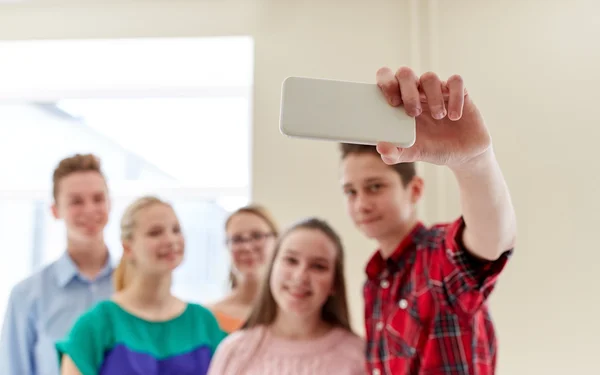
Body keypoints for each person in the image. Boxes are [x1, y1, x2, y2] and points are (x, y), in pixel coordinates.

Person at [339, 66, 517, 374]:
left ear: (415, 189)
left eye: (375, 186)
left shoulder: (435, 254)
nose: (361, 203)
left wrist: (474, 162)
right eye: (350, 191)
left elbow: (491, 243)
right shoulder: (374, 282)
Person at [55, 196, 226, 375]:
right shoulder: (97, 324)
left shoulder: (204, 323)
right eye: (155, 232)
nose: (170, 240)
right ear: (128, 248)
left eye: (176, 230)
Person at [0, 153, 114, 375]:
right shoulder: (27, 295)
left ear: (110, 204)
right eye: (76, 201)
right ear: (55, 210)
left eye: (98, 198)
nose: (89, 209)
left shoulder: (134, 286)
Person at [207, 217, 365, 375]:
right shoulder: (233, 351)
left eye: (318, 266)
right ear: (272, 268)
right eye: (291, 260)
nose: (300, 276)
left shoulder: (358, 356)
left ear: (334, 283)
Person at [210, 204, 279, 333]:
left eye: (257, 236)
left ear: (277, 241)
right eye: (237, 239)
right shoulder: (208, 317)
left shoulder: (294, 315)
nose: (246, 247)